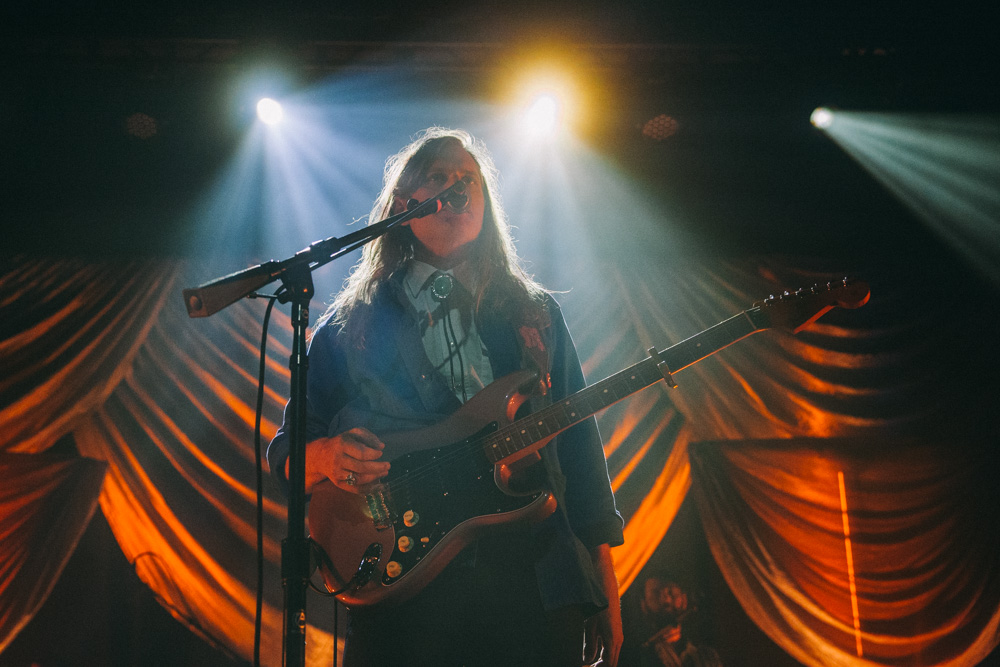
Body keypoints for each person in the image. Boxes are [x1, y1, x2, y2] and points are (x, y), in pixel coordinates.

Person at [268, 127, 624, 666]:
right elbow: (289, 450)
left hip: (533, 577)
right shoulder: (346, 327)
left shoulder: (536, 316)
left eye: (469, 180)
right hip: (402, 585)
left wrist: (602, 585)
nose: (456, 188)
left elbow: (578, 450)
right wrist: (323, 456)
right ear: (403, 205)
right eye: (439, 178)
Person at [638, 576, 722, 667]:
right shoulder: (640, 657)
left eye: (670, 592)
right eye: (656, 592)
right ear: (643, 605)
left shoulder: (708, 656)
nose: (666, 599)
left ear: (684, 599)